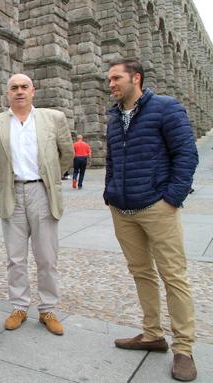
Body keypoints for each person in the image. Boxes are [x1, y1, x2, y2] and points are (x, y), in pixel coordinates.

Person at [105, 58, 199, 381]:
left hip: (157, 207)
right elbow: (111, 158)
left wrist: (172, 198)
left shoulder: (166, 108)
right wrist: (110, 192)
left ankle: (184, 348)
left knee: (173, 276)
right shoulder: (113, 117)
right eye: (109, 80)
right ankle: (151, 334)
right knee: (141, 272)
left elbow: (187, 154)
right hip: (123, 210)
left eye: (116, 78)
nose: (111, 84)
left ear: (136, 78)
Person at [0, 74, 74, 336]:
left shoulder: (53, 118)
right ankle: (19, 306)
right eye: (14, 88)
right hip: (12, 192)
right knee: (15, 257)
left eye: (24, 87)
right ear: (7, 94)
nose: (19, 91)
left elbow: (65, 154)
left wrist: (50, 177)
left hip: (42, 192)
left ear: (33, 91)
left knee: (47, 256)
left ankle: (48, 309)